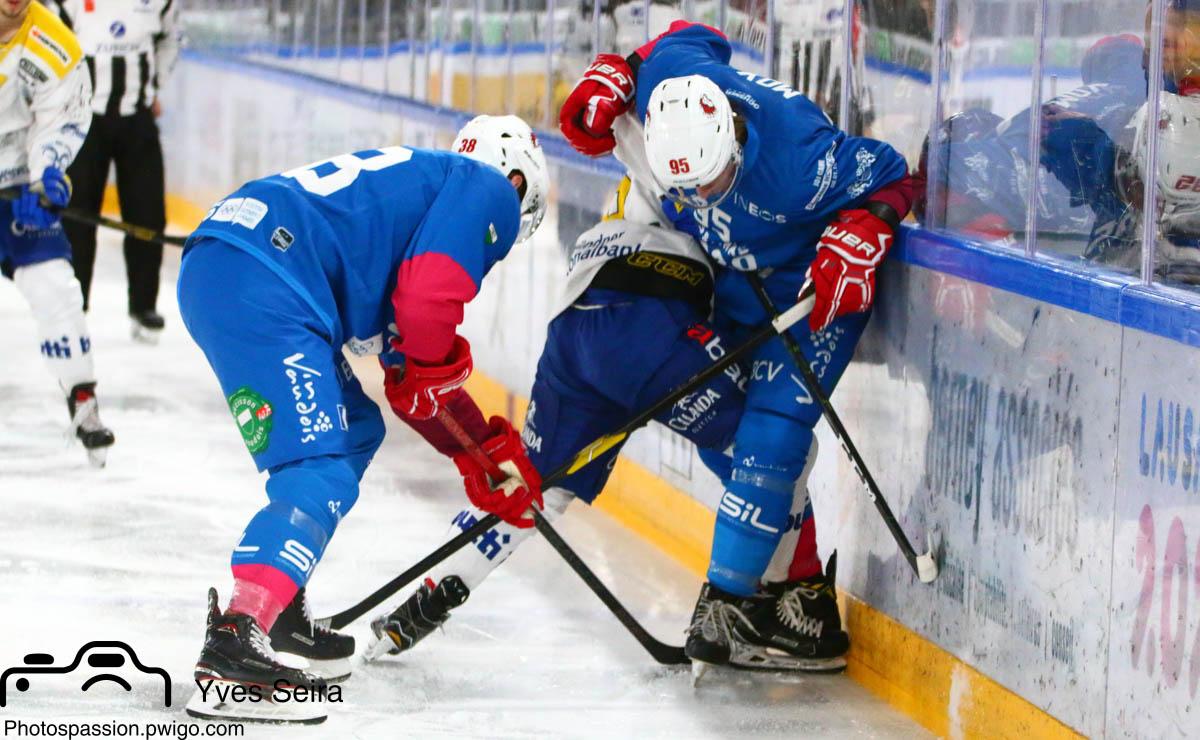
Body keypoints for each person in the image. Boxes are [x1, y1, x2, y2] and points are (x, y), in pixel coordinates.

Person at [559, 20, 914, 672]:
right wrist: (622, 68)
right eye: (685, 186)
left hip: (809, 285)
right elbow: (690, 33)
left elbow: (892, 171)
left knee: (771, 438)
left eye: (710, 181)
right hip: (733, 281)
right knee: (720, 432)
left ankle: (726, 602)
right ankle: (801, 599)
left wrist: (867, 225)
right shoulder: (671, 83)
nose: (698, 196)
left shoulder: (799, 162)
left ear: (731, 137)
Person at [177, 115, 550, 724]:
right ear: (517, 181)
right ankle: (236, 637)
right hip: (269, 278)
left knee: (352, 429)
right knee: (320, 462)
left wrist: (479, 453)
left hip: (240, 265)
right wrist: (467, 429)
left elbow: (409, 378)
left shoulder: (423, 192)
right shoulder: (487, 188)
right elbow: (426, 309)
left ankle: (279, 603)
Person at [365, 117, 761, 663]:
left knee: (533, 487)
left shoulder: (655, 147)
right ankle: (751, 603)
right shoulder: (707, 154)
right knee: (768, 447)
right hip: (649, 320)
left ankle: (423, 602)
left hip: (574, 329)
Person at [0, 0, 114, 466]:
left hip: (14, 186)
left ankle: (82, 398)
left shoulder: (56, 47)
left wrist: (45, 178)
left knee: (56, 288)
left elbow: (59, 121)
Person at [49, 0, 180, 342]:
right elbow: (51, 44)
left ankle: (144, 307)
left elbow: (170, 39)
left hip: (137, 119)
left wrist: (156, 84)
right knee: (77, 215)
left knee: (147, 214)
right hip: (83, 120)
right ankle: (74, 307)